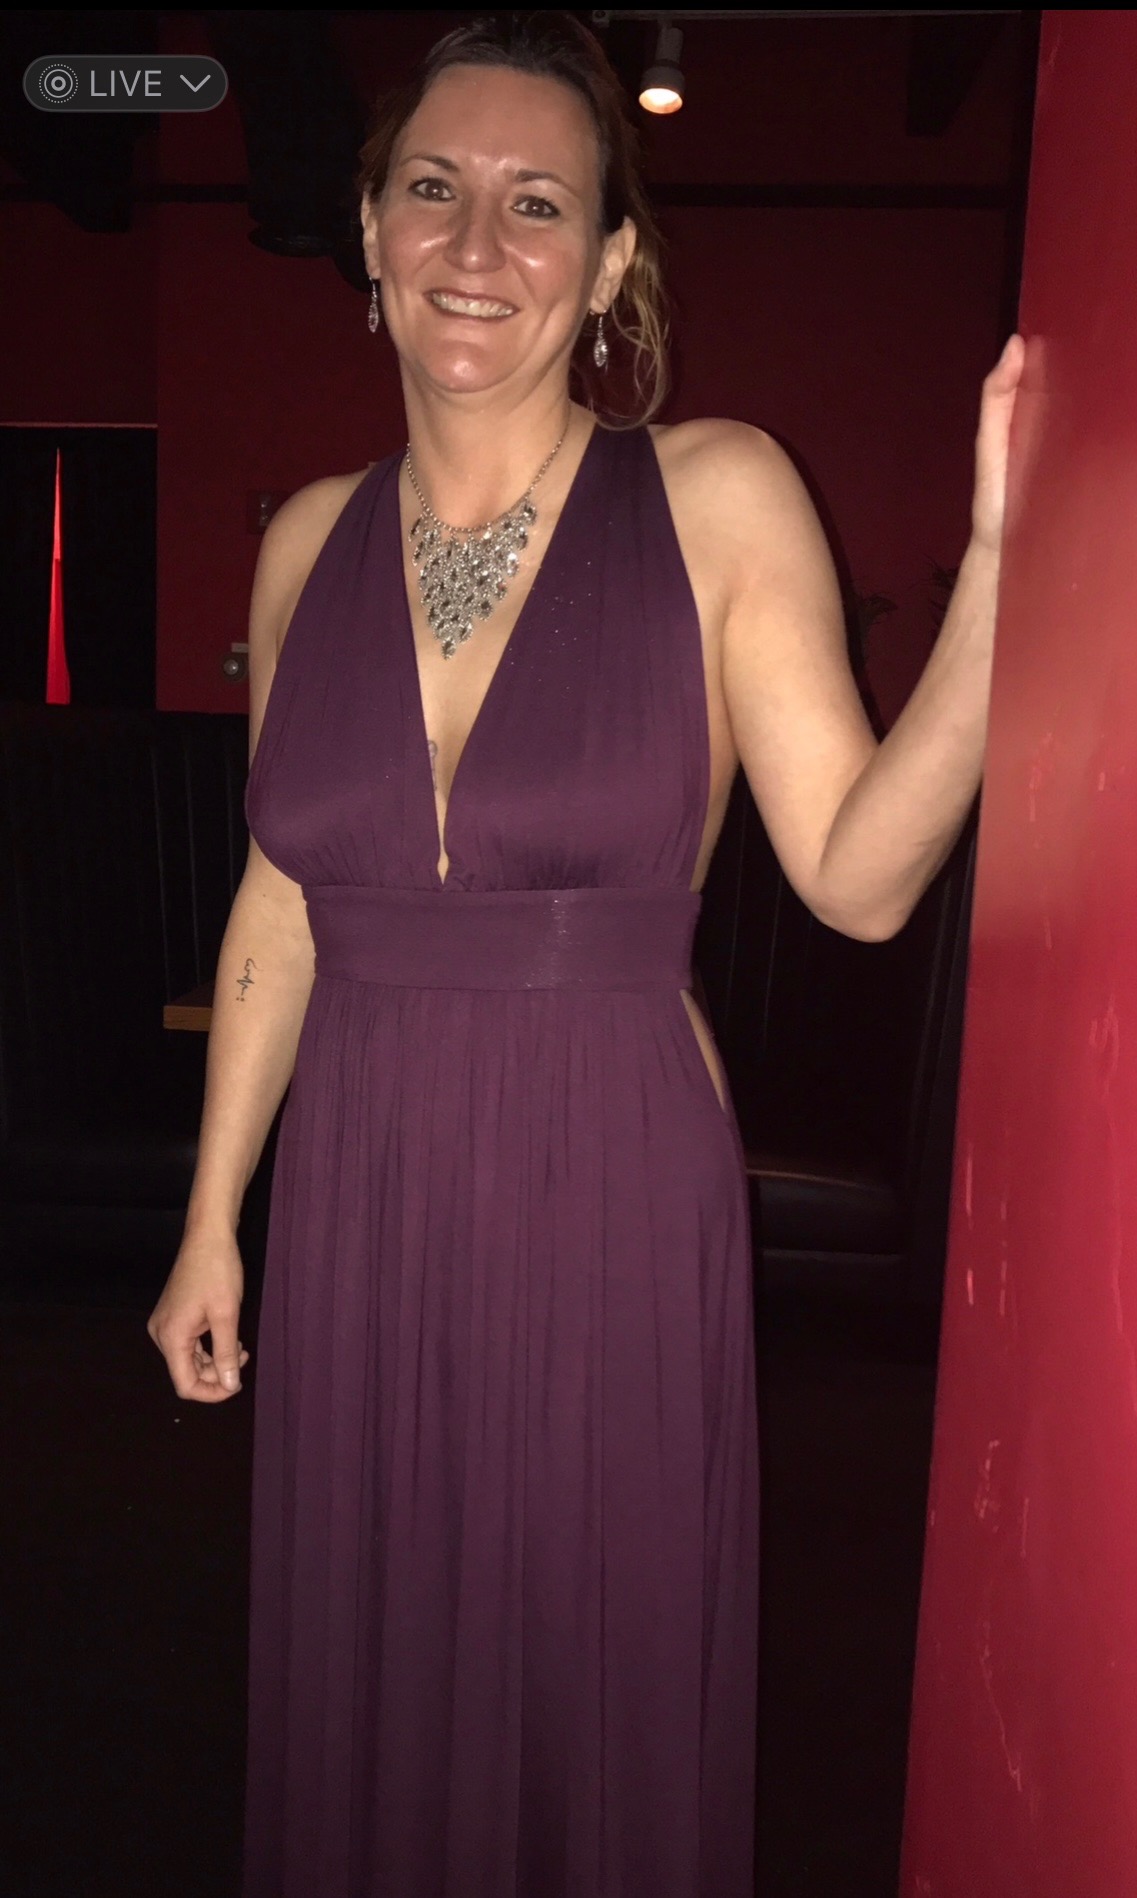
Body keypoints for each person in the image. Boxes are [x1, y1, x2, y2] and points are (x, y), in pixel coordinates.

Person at [147, 13, 1021, 1896]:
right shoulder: (304, 546)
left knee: (584, 1669)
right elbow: (281, 902)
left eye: (539, 203)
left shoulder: (714, 494)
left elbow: (860, 879)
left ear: (611, 261)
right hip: (359, 1195)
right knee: (374, 1672)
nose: (479, 245)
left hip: (603, 1187)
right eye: (434, 189)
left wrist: (999, 578)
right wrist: (214, 1216)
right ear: (369, 233)